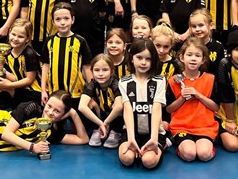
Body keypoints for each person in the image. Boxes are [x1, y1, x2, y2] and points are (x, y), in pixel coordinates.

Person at [166, 38, 220, 162]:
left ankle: (209, 148)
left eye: (197, 56)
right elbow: (168, 109)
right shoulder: (173, 81)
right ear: (181, 57)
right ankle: (179, 146)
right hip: (181, 127)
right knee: (189, 155)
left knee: (204, 155)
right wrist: (182, 98)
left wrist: (198, 95)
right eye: (189, 55)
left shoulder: (210, 79)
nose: (193, 59)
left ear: (203, 60)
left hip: (205, 126)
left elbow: (216, 107)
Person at [118, 38, 167, 169]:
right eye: (139, 57)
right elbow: (127, 110)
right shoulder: (124, 82)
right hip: (132, 132)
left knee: (148, 161)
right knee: (127, 159)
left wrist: (154, 138)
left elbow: (156, 109)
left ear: (153, 60)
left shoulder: (159, 81)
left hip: (153, 133)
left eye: (148, 59)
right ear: (132, 58)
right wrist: (131, 138)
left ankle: (162, 144)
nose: (143, 62)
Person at [40, 3, 92, 108]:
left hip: (75, 92)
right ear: (53, 22)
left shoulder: (80, 41)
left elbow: (87, 68)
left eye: (66, 18)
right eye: (58, 19)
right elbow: (45, 66)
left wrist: (91, 94)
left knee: (75, 116)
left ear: (72, 20)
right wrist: (43, 90)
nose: (62, 23)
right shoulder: (49, 41)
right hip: (54, 91)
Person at [0, 19, 42, 109]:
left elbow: (29, 80)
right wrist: (3, 71)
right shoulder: (8, 52)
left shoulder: (29, 54)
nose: (15, 39)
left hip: (34, 94)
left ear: (27, 38)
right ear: (9, 32)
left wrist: (7, 85)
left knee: (4, 86)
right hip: (21, 90)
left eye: (20, 36)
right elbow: (17, 78)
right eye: (13, 34)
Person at [79, 55, 124, 149]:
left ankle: (116, 131)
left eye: (105, 70)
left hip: (114, 117)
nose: (100, 74)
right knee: (90, 103)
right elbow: (81, 106)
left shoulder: (116, 83)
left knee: (118, 104)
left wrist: (106, 123)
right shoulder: (92, 84)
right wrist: (100, 123)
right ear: (92, 71)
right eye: (97, 70)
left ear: (111, 71)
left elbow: (119, 107)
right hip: (101, 116)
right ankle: (97, 129)